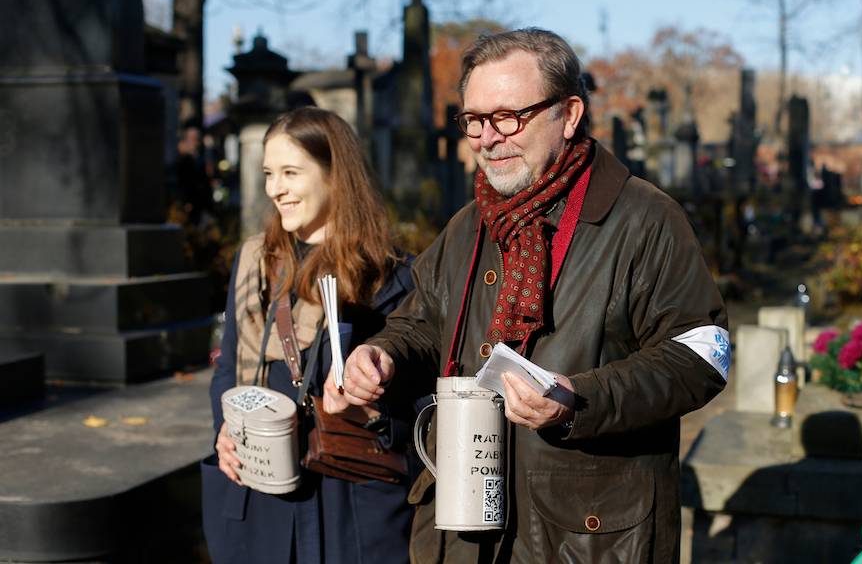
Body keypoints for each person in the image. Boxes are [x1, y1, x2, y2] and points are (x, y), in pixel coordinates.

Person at [339, 28, 730, 563]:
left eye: (508, 117)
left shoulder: (645, 219)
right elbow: (422, 324)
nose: (487, 138)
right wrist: (383, 354)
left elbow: (702, 355)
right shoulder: (468, 225)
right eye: (474, 120)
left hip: (588, 538)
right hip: (465, 534)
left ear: (568, 115)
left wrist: (580, 399)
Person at [201, 107, 417, 564]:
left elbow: (417, 400)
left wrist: (371, 408)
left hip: (346, 502)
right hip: (260, 493)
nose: (274, 189)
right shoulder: (256, 262)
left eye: (290, 173)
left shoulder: (389, 275)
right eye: (269, 174)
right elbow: (228, 366)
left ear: (335, 176)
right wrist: (225, 428)